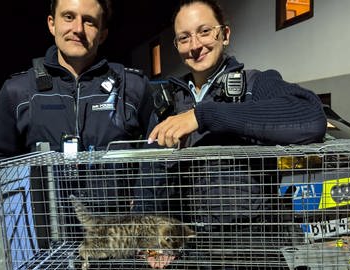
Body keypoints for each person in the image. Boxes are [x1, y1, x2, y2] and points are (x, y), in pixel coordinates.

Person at [137, 0, 327, 268]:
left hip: (253, 251)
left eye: (205, 31)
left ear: (224, 34)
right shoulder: (168, 102)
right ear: (177, 46)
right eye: (184, 37)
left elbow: (311, 118)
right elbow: (150, 174)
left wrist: (203, 116)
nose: (195, 45)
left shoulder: (256, 84)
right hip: (190, 251)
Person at [0, 0, 154, 159]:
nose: (78, 29)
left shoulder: (133, 87)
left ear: (102, 34)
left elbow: (160, 156)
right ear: (52, 24)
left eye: (89, 21)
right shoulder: (17, 92)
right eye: (69, 17)